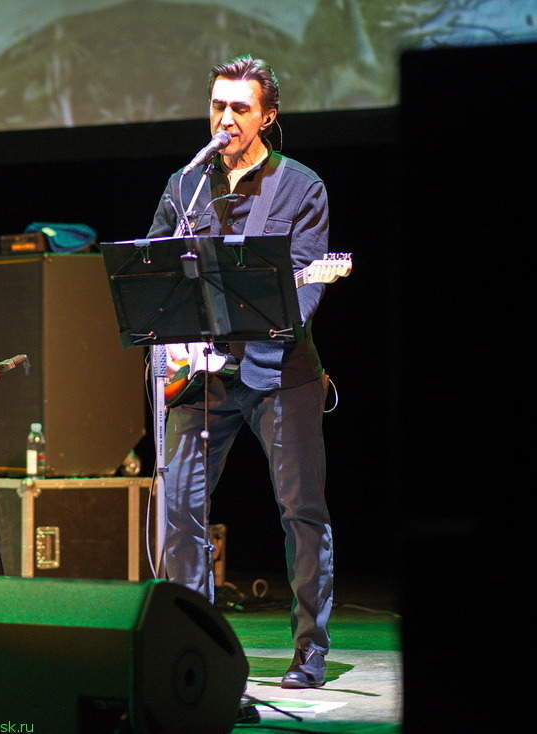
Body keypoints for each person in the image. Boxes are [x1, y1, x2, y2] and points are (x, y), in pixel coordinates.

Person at [146, 55, 333, 689]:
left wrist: (266, 315)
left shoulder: (301, 187)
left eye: (240, 108)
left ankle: (310, 649)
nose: (226, 118)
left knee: (301, 510)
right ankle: (194, 643)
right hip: (200, 376)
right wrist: (174, 342)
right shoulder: (186, 184)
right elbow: (153, 271)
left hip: (280, 372)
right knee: (180, 510)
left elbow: (307, 285)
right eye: (218, 105)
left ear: (267, 116)